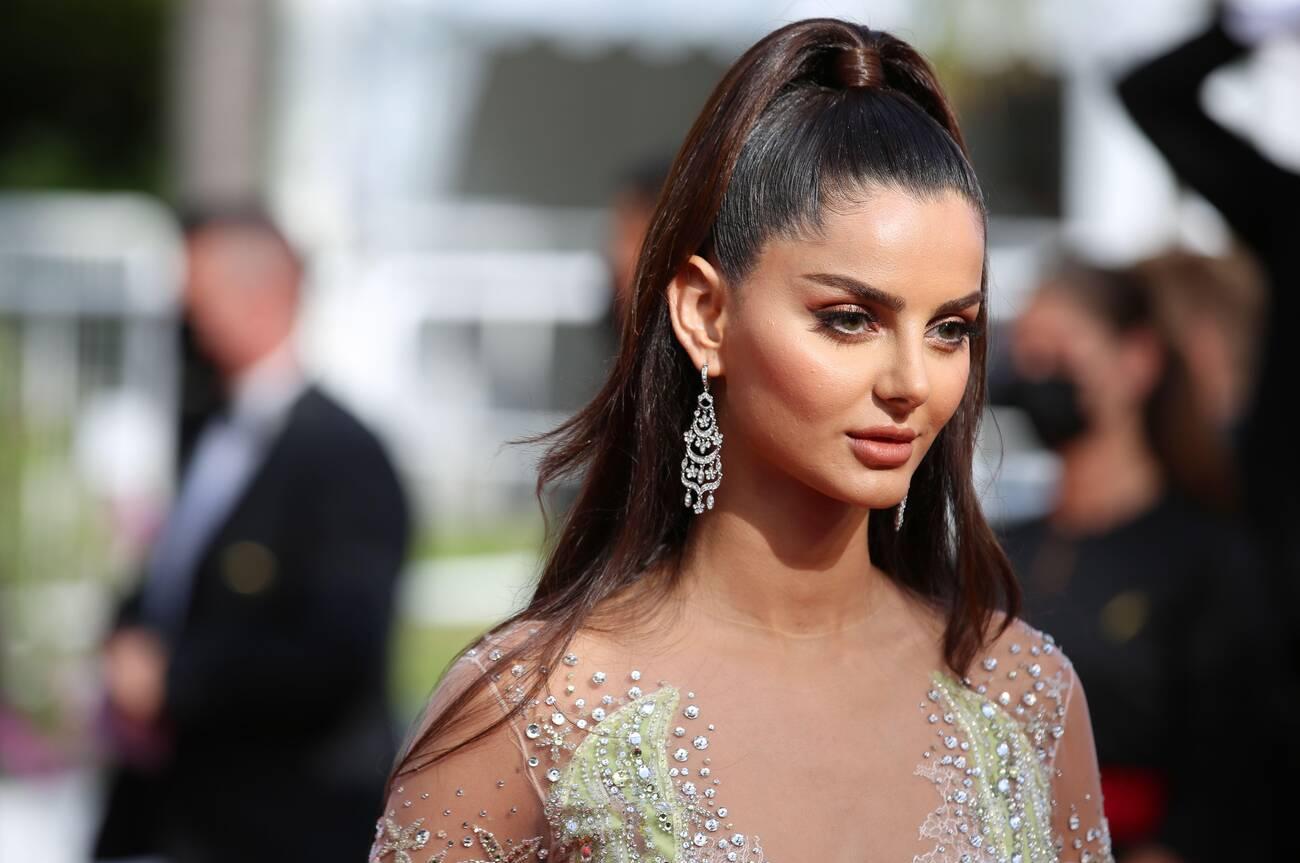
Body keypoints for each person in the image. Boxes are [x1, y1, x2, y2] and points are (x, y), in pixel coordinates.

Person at [370, 19, 1113, 863]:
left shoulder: (1025, 696)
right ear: (705, 314)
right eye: (849, 318)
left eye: (950, 328)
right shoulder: (534, 708)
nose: (912, 379)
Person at [94, 209, 412, 863]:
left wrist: (176, 680)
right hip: (181, 809)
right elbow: (177, 578)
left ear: (266, 295)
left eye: (199, 297)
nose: (185, 318)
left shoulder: (341, 455)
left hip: (287, 818)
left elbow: (338, 648)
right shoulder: (209, 429)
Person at [995, 260, 1280, 862]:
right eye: (1028, 354)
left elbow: (1238, 768)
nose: (1037, 373)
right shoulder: (997, 550)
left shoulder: (1203, 558)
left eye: (1060, 350)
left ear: (1136, 361)